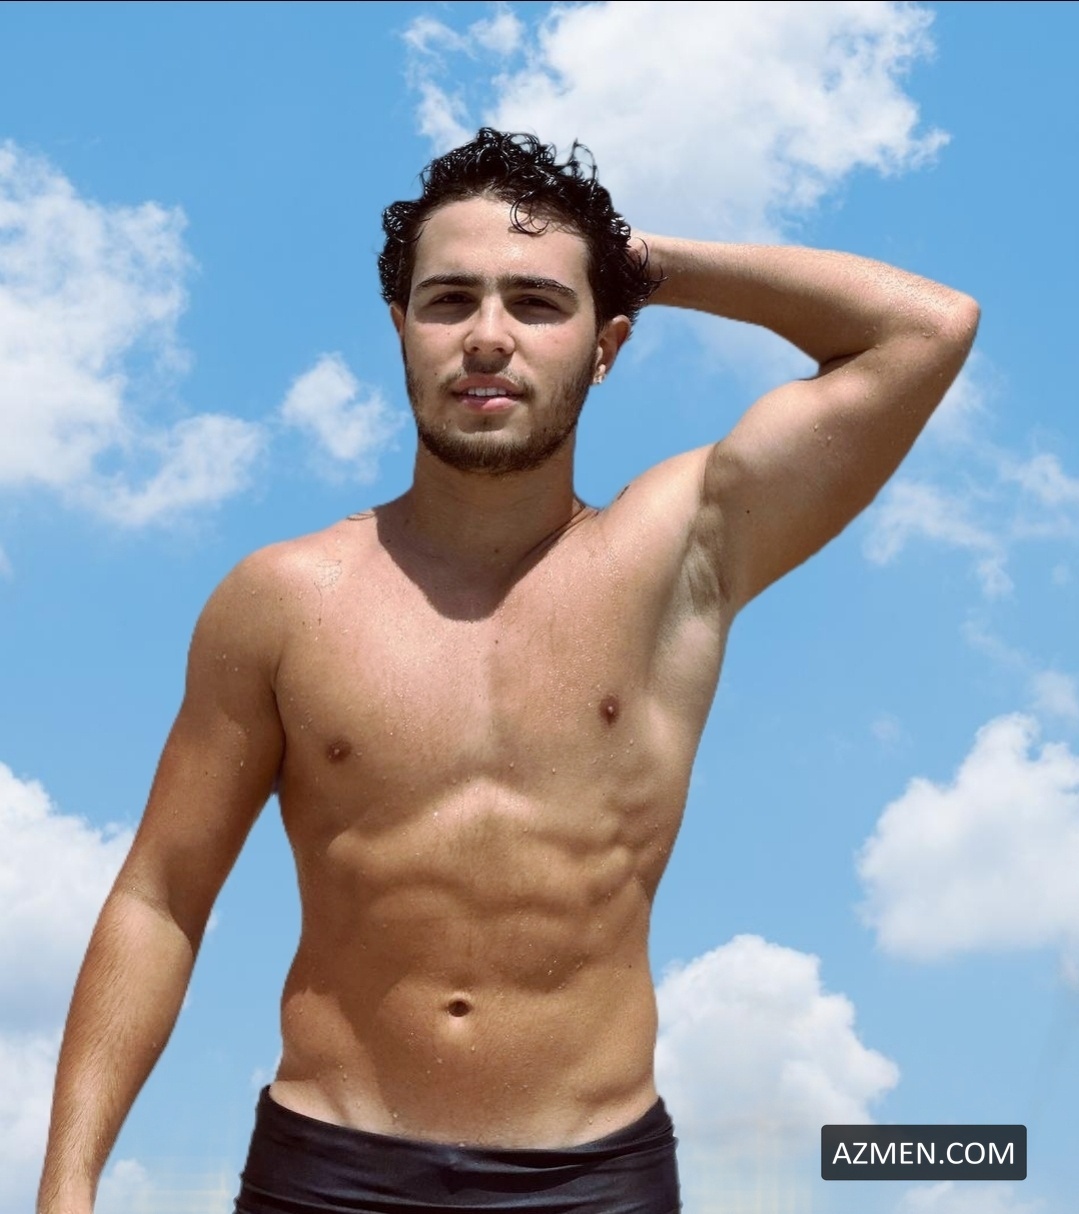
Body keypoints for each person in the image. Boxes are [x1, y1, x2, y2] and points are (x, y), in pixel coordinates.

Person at [37, 129, 978, 1214]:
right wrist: (67, 1185)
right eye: (448, 301)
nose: (488, 337)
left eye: (536, 303)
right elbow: (161, 896)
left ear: (607, 343)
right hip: (327, 1171)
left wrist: (631, 257)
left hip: (593, 1175)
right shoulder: (282, 599)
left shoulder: (683, 551)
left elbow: (925, 326)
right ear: (399, 328)